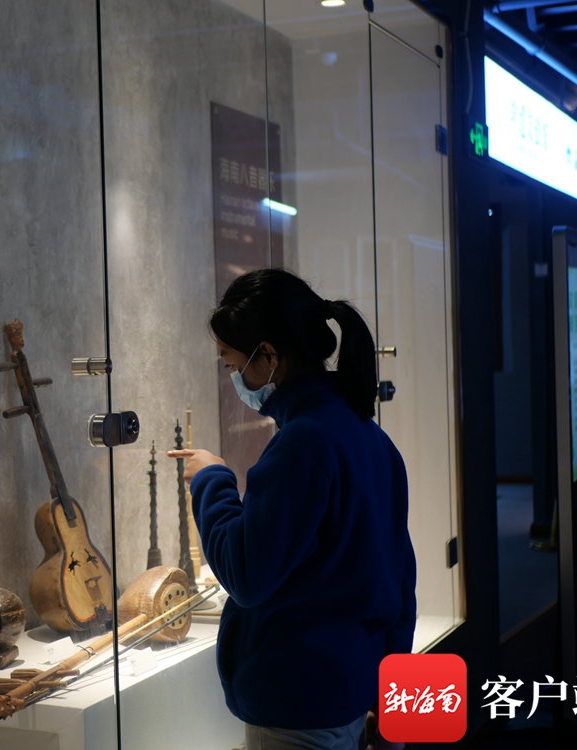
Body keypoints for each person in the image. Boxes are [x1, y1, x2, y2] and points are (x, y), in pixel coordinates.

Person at [169, 268, 416, 750]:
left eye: (232, 363)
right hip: (350, 694)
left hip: (298, 704)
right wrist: (395, 717)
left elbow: (246, 573)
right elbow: (400, 586)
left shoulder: (304, 444)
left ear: (268, 356)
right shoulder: (370, 438)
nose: (234, 378)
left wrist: (211, 479)